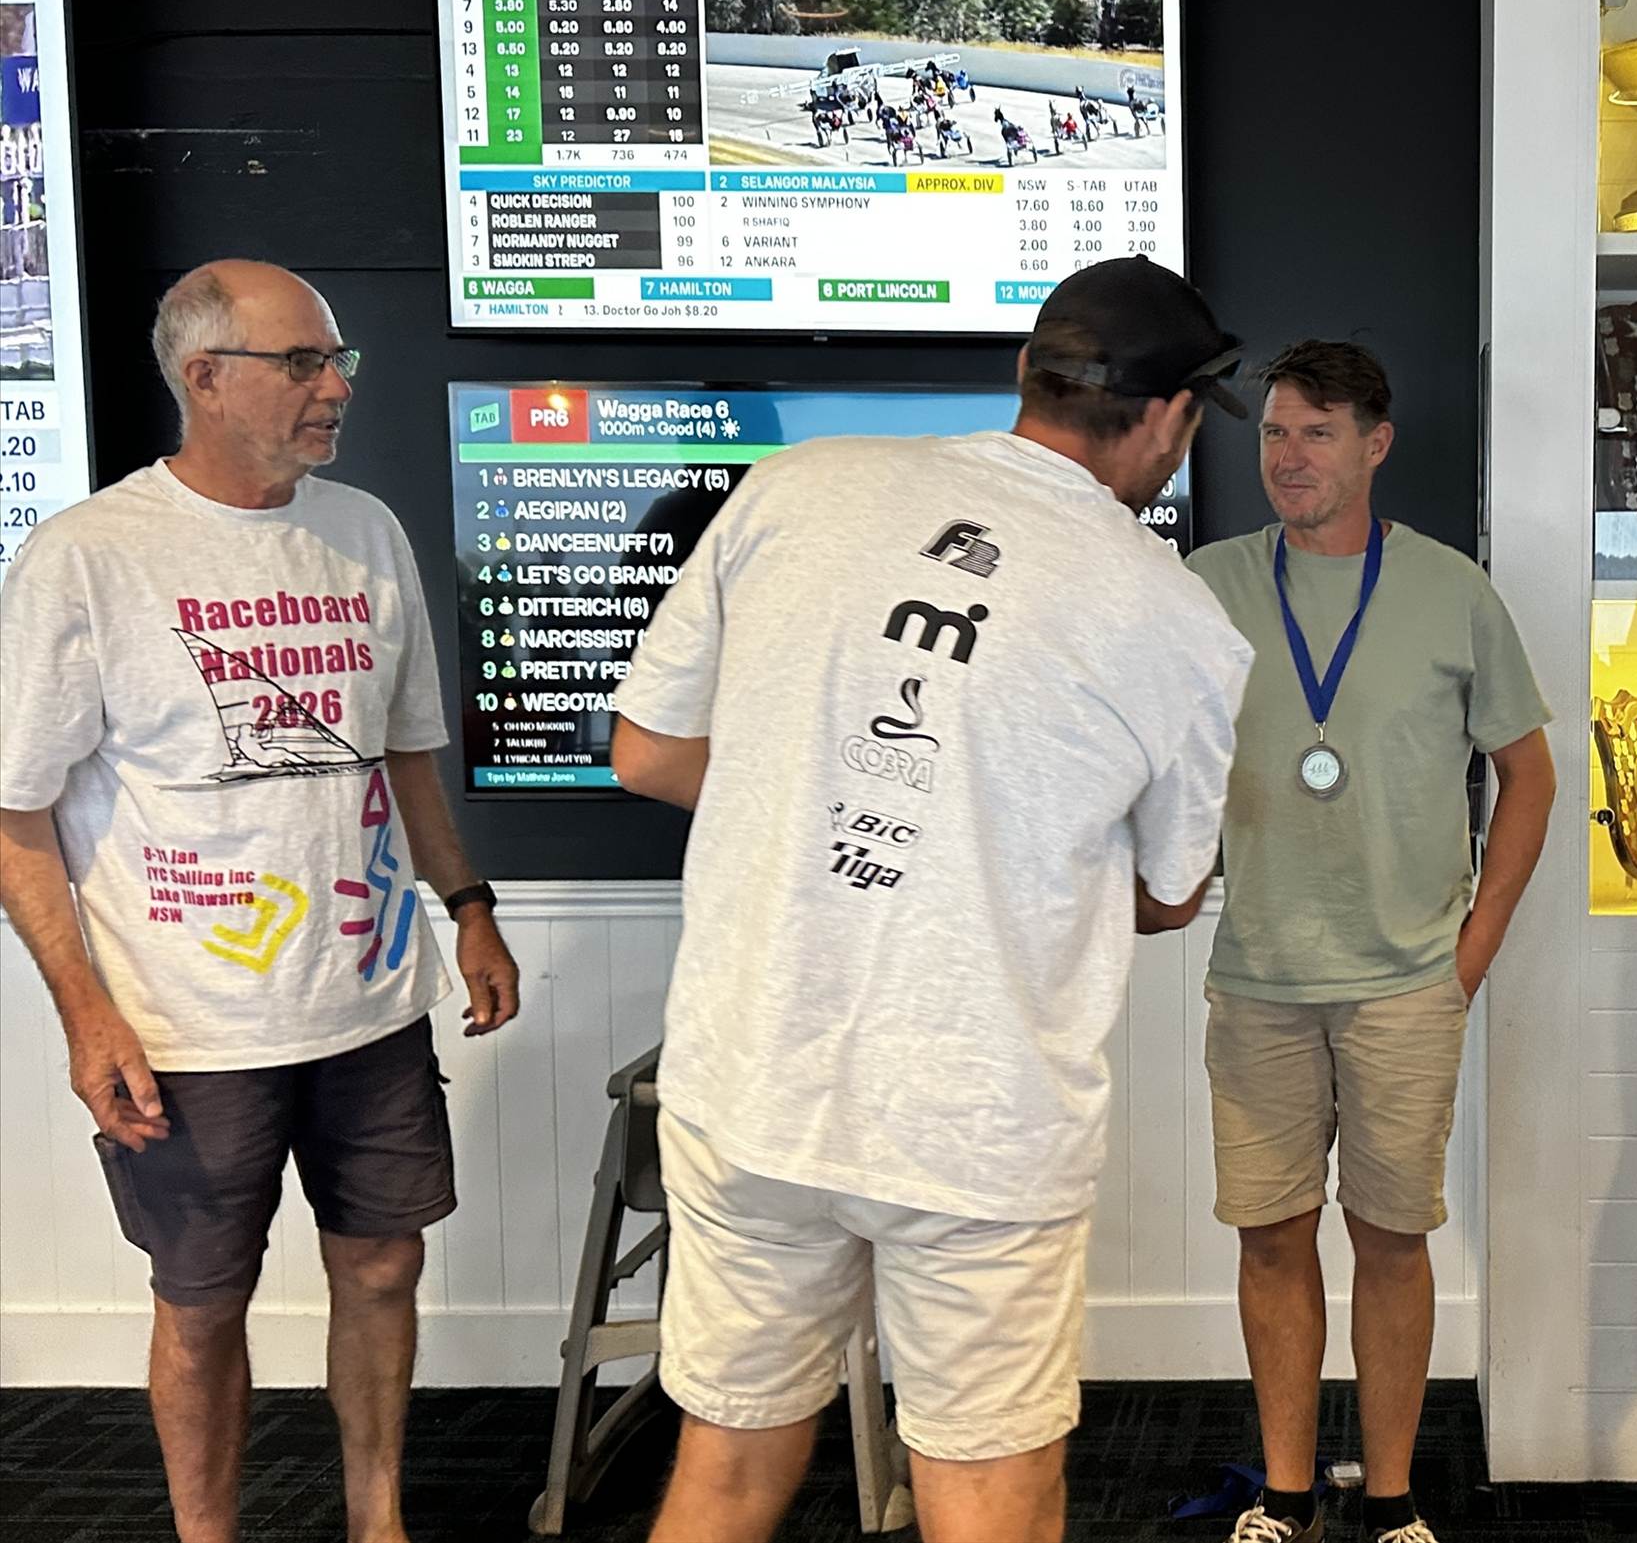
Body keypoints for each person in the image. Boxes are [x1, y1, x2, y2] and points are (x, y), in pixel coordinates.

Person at [609, 255, 1255, 1543]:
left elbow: (648, 753)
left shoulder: (797, 486)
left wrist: (804, 804)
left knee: (726, 1460)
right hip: (976, 1121)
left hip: (752, 1083)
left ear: (1026, 372)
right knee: (988, 1486)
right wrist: (983, 843)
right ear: (1173, 417)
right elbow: (1169, 895)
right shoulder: (1179, 623)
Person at [0, 259, 521, 1543]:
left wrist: (466, 903)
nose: (335, 386)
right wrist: (85, 1018)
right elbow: (17, 814)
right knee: (203, 1298)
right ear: (205, 378)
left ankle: (376, 1521)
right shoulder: (88, 558)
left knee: (383, 1261)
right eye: (303, 362)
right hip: (187, 1023)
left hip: (368, 996)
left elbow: (404, 753)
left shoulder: (366, 531)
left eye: (337, 360)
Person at [1185, 341, 1556, 1543]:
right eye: (1273, 433)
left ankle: (1391, 1500)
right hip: (1260, 979)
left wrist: (1470, 954)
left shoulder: (1451, 590)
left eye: (1317, 432)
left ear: (1375, 444)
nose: (1288, 457)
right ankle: (1285, 1495)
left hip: (1407, 983)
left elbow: (1530, 775)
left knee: (1393, 1243)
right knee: (1270, 1237)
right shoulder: (1206, 585)